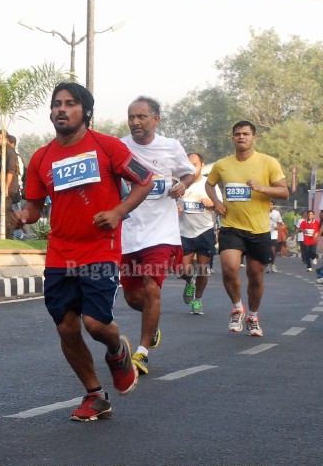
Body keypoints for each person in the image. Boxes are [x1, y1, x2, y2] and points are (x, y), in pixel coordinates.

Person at [13, 82, 153, 422]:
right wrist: (23, 216)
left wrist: (119, 212)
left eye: (70, 104)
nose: (61, 109)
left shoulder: (108, 147)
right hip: (60, 253)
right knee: (66, 327)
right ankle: (94, 394)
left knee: (94, 322)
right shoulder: (41, 157)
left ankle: (117, 348)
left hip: (99, 250)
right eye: (57, 104)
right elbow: (33, 207)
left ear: (85, 112)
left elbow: (145, 180)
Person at [118, 96, 196, 375]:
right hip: (129, 230)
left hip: (161, 232)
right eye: (131, 117)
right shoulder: (120, 146)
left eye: (141, 117)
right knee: (132, 297)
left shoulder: (172, 146)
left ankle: (141, 353)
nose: (135, 122)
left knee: (152, 288)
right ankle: (152, 326)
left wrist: (182, 186)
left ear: (156, 119)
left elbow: (189, 174)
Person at [205, 121, 288, 336]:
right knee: (229, 266)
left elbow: (284, 191)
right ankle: (236, 307)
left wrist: (262, 188)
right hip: (231, 226)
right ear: (232, 138)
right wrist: (216, 202)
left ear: (254, 138)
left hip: (259, 229)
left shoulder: (268, 162)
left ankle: (252, 314)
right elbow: (209, 184)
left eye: (245, 134)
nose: (241, 137)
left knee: (255, 275)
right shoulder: (222, 164)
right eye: (237, 134)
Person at [178, 153, 216, 316]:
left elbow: (220, 206)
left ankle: (197, 300)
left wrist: (211, 204)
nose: (191, 167)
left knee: (202, 270)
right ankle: (189, 281)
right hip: (184, 232)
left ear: (202, 165)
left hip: (204, 231)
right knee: (182, 269)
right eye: (188, 164)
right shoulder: (180, 184)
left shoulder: (209, 185)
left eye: (195, 164)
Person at [0, 130, 22, 238]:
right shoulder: (0, 151)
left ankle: (7, 237)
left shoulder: (10, 151)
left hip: (8, 188)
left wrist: (6, 188)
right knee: (0, 213)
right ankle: (1, 236)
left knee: (6, 213)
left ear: (6, 139)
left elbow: (11, 170)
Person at [267, 202, 283, 272]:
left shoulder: (277, 213)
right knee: (266, 250)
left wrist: (277, 226)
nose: (270, 206)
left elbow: (279, 222)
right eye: (268, 204)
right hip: (264, 232)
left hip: (273, 232)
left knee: (273, 249)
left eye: (271, 204)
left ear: (273, 206)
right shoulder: (262, 212)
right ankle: (267, 264)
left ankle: (272, 264)